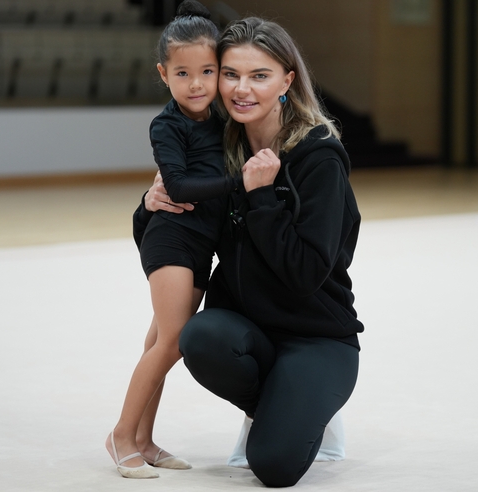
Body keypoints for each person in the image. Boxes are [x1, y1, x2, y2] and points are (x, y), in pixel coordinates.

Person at [135, 16, 362, 487]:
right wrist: (148, 207)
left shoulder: (318, 159)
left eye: (259, 75)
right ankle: (280, 405)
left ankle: (300, 406)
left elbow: (304, 274)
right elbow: (183, 235)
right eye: (231, 74)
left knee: (274, 467)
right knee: (198, 335)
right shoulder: (221, 149)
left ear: (287, 81)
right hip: (246, 329)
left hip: (316, 336)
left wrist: (260, 197)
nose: (242, 89)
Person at [105, 0, 240, 480]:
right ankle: (121, 435)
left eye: (208, 71)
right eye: (184, 73)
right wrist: (241, 181)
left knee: (160, 341)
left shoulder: (222, 120)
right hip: (173, 238)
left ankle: (144, 438)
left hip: (200, 245)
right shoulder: (167, 124)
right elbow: (178, 187)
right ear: (164, 74)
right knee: (174, 343)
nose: (198, 84)